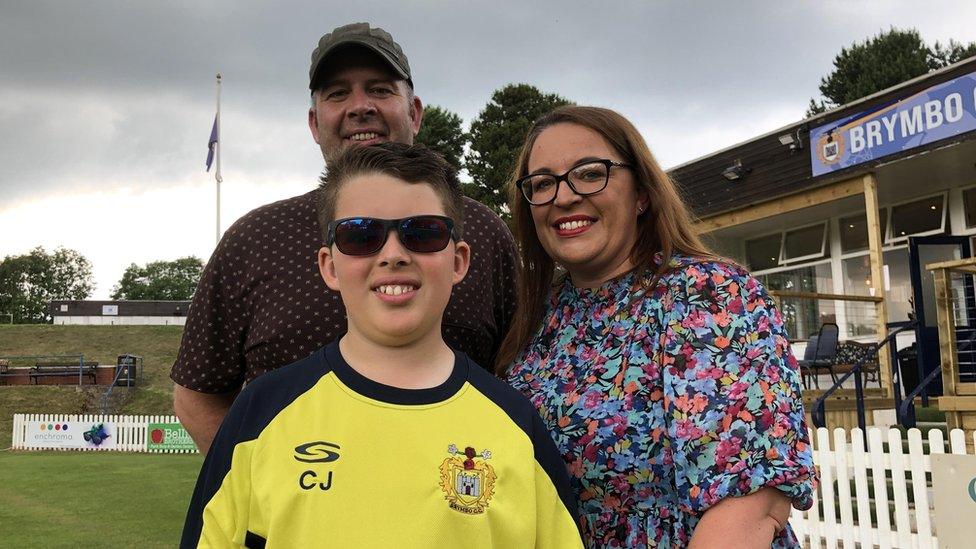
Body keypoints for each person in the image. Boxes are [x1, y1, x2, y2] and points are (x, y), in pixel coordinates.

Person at [180, 143, 582, 548]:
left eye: (423, 233)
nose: (393, 254)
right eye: (360, 235)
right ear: (330, 266)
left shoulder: (516, 426)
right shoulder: (261, 414)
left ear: (458, 260)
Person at [171, 23, 517, 454]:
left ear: (414, 113)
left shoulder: (481, 231)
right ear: (315, 123)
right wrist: (255, 483)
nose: (360, 107)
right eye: (337, 93)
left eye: (380, 89)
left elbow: (516, 374)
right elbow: (197, 393)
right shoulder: (254, 238)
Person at [497, 106, 816, 548]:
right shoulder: (537, 319)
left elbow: (751, 503)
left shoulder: (708, 296)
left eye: (591, 173)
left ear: (642, 193)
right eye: (543, 183)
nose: (564, 197)